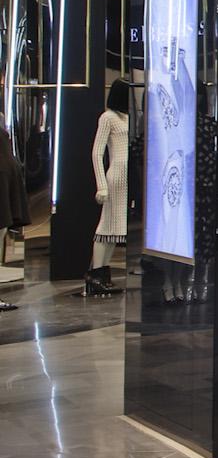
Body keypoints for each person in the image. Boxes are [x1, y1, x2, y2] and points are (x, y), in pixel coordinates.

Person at [86, 79, 130, 297]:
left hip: (128, 178)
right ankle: (95, 273)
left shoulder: (128, 118)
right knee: (106, 226)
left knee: (115, 228)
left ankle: (101, 274)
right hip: (116, 178)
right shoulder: (108, 118)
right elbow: (97, 152)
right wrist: (101, 185)